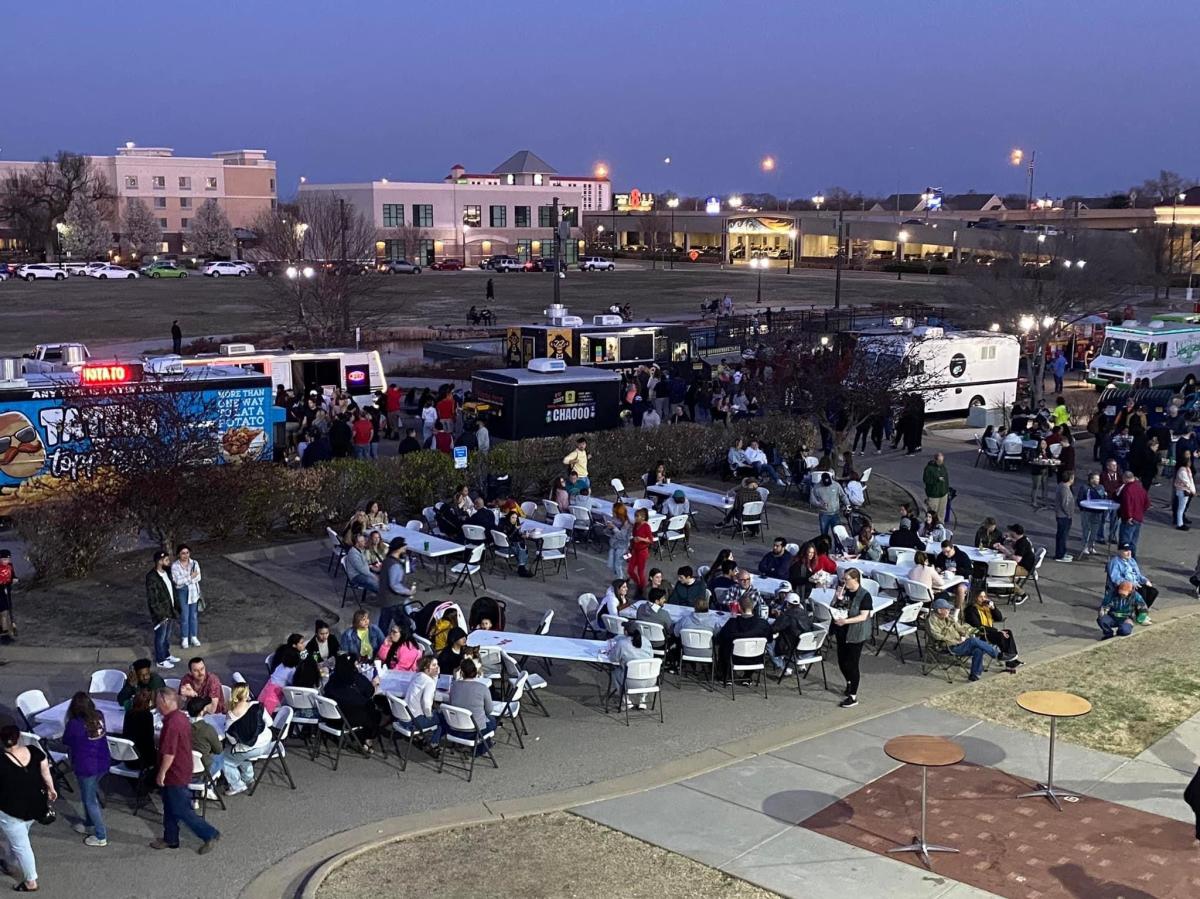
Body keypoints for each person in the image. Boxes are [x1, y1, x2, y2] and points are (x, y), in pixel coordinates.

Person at [150, 688, 220, 852]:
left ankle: (209, 833)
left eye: (158, 703)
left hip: (175, 772)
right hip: (183, 768)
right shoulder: (181, 717)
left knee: (182, 809)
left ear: (165, 702)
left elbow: (169, 752)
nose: (157, 706)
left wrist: (162, 773)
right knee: (169, 805)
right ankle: (171, 838)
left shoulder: (172, 723)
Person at [0, 724, 56, 889]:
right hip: (36, 805)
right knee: (19, 837)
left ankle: (31, 881)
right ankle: (10, 863)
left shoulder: (1, 762)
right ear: (18, 737)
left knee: (22, 846)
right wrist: (51, 789)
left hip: (12, 811)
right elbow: (46, 772)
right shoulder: (34, 751)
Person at [62, 692, 111, 847]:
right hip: (102, 762)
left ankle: (100, 835)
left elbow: (66, 740)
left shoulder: (75, 724)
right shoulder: (99, 716)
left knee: (90, 800)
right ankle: (89, 824)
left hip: (86, 767)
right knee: (87, 795)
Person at [926, 597, 1004, 681]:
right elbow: (937, 636)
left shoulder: (949, 618)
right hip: (948, 646)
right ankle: (997, 655)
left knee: (978, 649)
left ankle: (975, 675)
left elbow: (960, 628)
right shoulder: (932, 621)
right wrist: (956, 641)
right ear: (939, 610)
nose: (949, 611)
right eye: (947, 609)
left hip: (960, 643)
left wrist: (965, 634)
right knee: (973, 641)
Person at [830, 568, 873, 707]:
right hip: (842, 631)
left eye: (846, 579)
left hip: (856, 632)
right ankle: (849, 681)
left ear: (855, 579)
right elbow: (833, 607)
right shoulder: (844, 591)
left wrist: (846, 621)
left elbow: (863, 616)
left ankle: (853, 696)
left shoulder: (864, 595)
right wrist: (837, 597)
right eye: (843, 579)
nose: (844, 582)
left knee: (852, 663)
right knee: (842, 661)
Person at [323, 654, 382, 750]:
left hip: (330, 718)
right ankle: (367, 738)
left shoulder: (333, 678)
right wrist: (374, 683)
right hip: (349, 719)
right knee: (375, 714)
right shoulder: (357, 678)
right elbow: (370, 692)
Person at [714, 593, 773, 684]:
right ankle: (747, 677)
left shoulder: (732, 623)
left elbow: (719, 638)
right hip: (755, 658)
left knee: (724, 646)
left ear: (739, 608)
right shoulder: (763, 624)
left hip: (734, 658)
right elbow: (769, 639)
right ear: (753, 607)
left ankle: (727, 676)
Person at [962, 589, 1020, 670]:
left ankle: (1010, 659)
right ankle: (1011, 661)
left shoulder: (987, 607)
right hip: (980, 634)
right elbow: (977, 626)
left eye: (984, 596)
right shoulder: (971, 609)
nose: (983, 599)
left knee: (1008, 632)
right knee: (1001, 635)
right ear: (975, 598)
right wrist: (997, 631)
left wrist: (993, 608)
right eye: (980, 597)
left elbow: (999, 618)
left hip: (990, 632)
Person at [605, 621, 656, 708]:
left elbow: (613, 659)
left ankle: (626, 700)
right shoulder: (647, 641)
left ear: (625, 632)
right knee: (644, 669)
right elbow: (651, 657)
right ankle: (642, 700)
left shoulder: (622, 643)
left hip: (630, 681)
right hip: (650, 680)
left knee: (614, 671)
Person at [146, 549, 180, 670]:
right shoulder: (151, 577)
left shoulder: (167, 572)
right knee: (160, 637)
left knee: (167, 636)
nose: (168, 562)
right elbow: (152, 599)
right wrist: (161, 615)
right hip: (162, 614)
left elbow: (172, 590)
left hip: (170, 610)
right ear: (159, 561)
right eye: (166, 560)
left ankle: (166, 655)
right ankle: (160, 660)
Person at [446, 658, 496, 739]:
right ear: (476, 672)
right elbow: (489, 710)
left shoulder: (454, 686)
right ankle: (483, 746)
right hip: (475, 731)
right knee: (492, 720)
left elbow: (451, 703)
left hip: (455, 728)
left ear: (461, 673)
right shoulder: (482, 688)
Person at [186, 696, 224, 799]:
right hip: (202, 772)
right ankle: (209, 787)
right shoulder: (207, 729)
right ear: (202, 711)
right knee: (220, 755)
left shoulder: (181, 726)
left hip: (182, 769)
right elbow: (218, 749)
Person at [770, 592, 816, 673]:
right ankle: (797, 664)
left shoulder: (787, 615)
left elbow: (773, 629)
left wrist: (779, 617)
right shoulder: (805, 613)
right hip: (809, 649)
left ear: (787, 604)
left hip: (793, 648)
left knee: (769, 642)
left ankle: (782, 667)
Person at [404, 655, 443, 748]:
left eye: (437, 665)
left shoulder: (417, 676)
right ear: (426, 668)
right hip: (416, 720)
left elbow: (431, 683)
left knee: (435, 712)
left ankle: (421, 736)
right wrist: (429, 716)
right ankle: (433, 744)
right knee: (442, 719)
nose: (437, 667)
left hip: (405, 717)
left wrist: (436, 676)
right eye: (434, 665)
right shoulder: (429, 682)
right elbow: (426, 702)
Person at [1106, 542, 1158, 608]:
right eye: (1126, 551)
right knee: (1142, 592)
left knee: (1153, 592)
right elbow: (1116, 578)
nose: (1129, 553)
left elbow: (1138, 575)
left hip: (1136, 584)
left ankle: (1143, 610)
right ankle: (1139, 611)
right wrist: (1130, 584)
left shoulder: (1132, 560)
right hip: (1125, 586)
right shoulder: (1114, 562)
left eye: (1129, 550)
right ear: (1119, 551)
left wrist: (1145, 580)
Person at [170, 545, 203, 648]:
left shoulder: (194, 563)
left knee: (193, 616)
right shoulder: (175, 566)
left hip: (193, 592)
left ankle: (193, 636)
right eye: (183, 553)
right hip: (182, 592)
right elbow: (177, 582)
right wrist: (190, 577)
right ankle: (184, 638)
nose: (185, 555)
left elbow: (198, 577)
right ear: (179, 554)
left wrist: (187, 579)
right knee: (184, 616)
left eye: (187, 553)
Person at [994, 523, 1036, 605]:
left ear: (1015, 533)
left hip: (1025, 568)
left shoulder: (1022, 543)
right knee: (1005, 572)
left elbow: (1017, 558)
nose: (1009, 532)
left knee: (1004, 574)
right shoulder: (1022, 539)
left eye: (1011, 531)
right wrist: (1010, 540)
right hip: (1023, 565)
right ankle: (1008, 590)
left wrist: (1004, 550)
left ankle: (1022, 594)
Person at [1116, 470, 1150, 556]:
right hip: (1138, 517)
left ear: (1125, 478)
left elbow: (1127, 504)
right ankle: (1132, 558)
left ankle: (1124, 558)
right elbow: (1147, 503)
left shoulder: (1127, 489)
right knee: (1134, 540)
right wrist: (1141, 512)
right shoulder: (1141, 488)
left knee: (1125, 540)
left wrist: (1129, 516)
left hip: (1129, 518)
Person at [1077, 471, 1109, 556]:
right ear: (1091, 480)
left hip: (1097, 512)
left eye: (1098, 479)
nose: (1098, 480)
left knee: (1094, 530)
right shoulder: (1084, 488)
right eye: (1096, 479)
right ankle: (1084, 546)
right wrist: (1082, 508)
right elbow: (1079, 499)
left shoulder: (1101, 487)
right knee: (1086, 529)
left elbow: (1103, 499)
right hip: (1087, 512)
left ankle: (1091, 546)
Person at [627, 508, 653, 595]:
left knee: (640, 571)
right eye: (635, 516)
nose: (635, 518)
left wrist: (641, 539)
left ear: (643, 517)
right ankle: (638, 583)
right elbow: (634, 536)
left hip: (642, 551)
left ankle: (641, 588)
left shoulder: (646, 527)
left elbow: (650, 540)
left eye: (637, 516)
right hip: (635, 550)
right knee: (630, 570)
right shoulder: (635, 525)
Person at [1052, 471, 1076, 562]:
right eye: (1073, 478)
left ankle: (1062, 552)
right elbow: (1065, 503)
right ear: (1070, 479)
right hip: (1064, 516)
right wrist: (1069, 514)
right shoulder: (1064, 488)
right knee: (1062, 536)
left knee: (1062, 535)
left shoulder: (1062, 486)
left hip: (1062, 515)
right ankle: (1060, 555)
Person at [922, 452, 950, 522]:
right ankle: (931, 525)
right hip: (934, 495)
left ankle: (940, 524)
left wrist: (947, 490)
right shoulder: (929, 468)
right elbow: (926, 480)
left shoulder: (943, 467)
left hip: (943, 494)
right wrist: (936, 479)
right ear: (935, 460)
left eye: (942, 460)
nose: (941, 462)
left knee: (942, 512)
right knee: (932, 512)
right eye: (939, 461)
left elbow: (946, 479)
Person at [1174, 449, 1195, 531]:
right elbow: (1187, 481)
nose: (1190, 463)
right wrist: (1192, 490)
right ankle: (1180, 524)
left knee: (1181, 508)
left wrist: (1193, 490)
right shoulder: (1182, 471)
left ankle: (1180, 523)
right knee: (1181, 508)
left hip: (1185, 491)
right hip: (1183, 491)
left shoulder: (1186, 469)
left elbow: (1190, 480)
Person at [0, 549, 14, 643]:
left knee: (7, 612)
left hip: (7, 592)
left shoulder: (10, 567)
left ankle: (8, 633)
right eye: (4, 559)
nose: (6, 561)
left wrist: (14, 579)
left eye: (8, 559)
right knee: (3, 612)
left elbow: (12, 576)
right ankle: (3, 633)